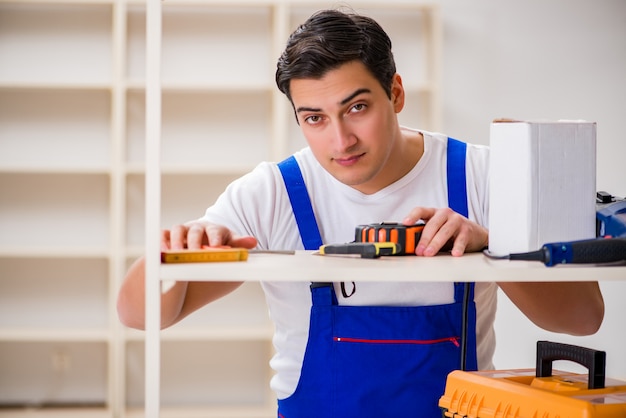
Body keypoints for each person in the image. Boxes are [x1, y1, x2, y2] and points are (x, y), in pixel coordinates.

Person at [117, 9, 604, 417]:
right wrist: (173, 255)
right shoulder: (272, 192)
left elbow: (583, 319)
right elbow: (139, 315)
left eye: (356, 108)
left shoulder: (483, 174)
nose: (340, 140)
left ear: (395, 93)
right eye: (314, 118)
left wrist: (492, 248)